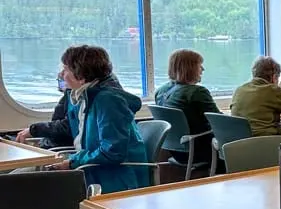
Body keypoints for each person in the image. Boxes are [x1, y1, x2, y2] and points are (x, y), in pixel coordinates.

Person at [49, 45, 149, 193]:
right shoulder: (83, 98)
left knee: (34, 187)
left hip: (118, 178)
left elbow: (112, 152)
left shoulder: (108, 102)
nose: (62, 74)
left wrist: (72, 162)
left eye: (66, 69)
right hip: (92, 169)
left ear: (81, 77)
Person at [231, 56, 281, 136]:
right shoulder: (271, 90)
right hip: (264, 141)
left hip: (240, 143)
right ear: (274, 77)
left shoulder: (239, 90)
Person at [154, 49, 219, 143]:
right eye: (199, 65)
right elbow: (219, 122)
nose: (203, 69)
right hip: (202, 147)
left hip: (174, 149)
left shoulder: (161, 91)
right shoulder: (197, 92)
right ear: (190, 68)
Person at [15, 65, 73, 149]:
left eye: (65, 70)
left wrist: (34, 130)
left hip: (59, 146)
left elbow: (66, 127)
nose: (61, 73)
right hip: (53, 142)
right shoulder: (68, 97)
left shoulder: (75, 99)